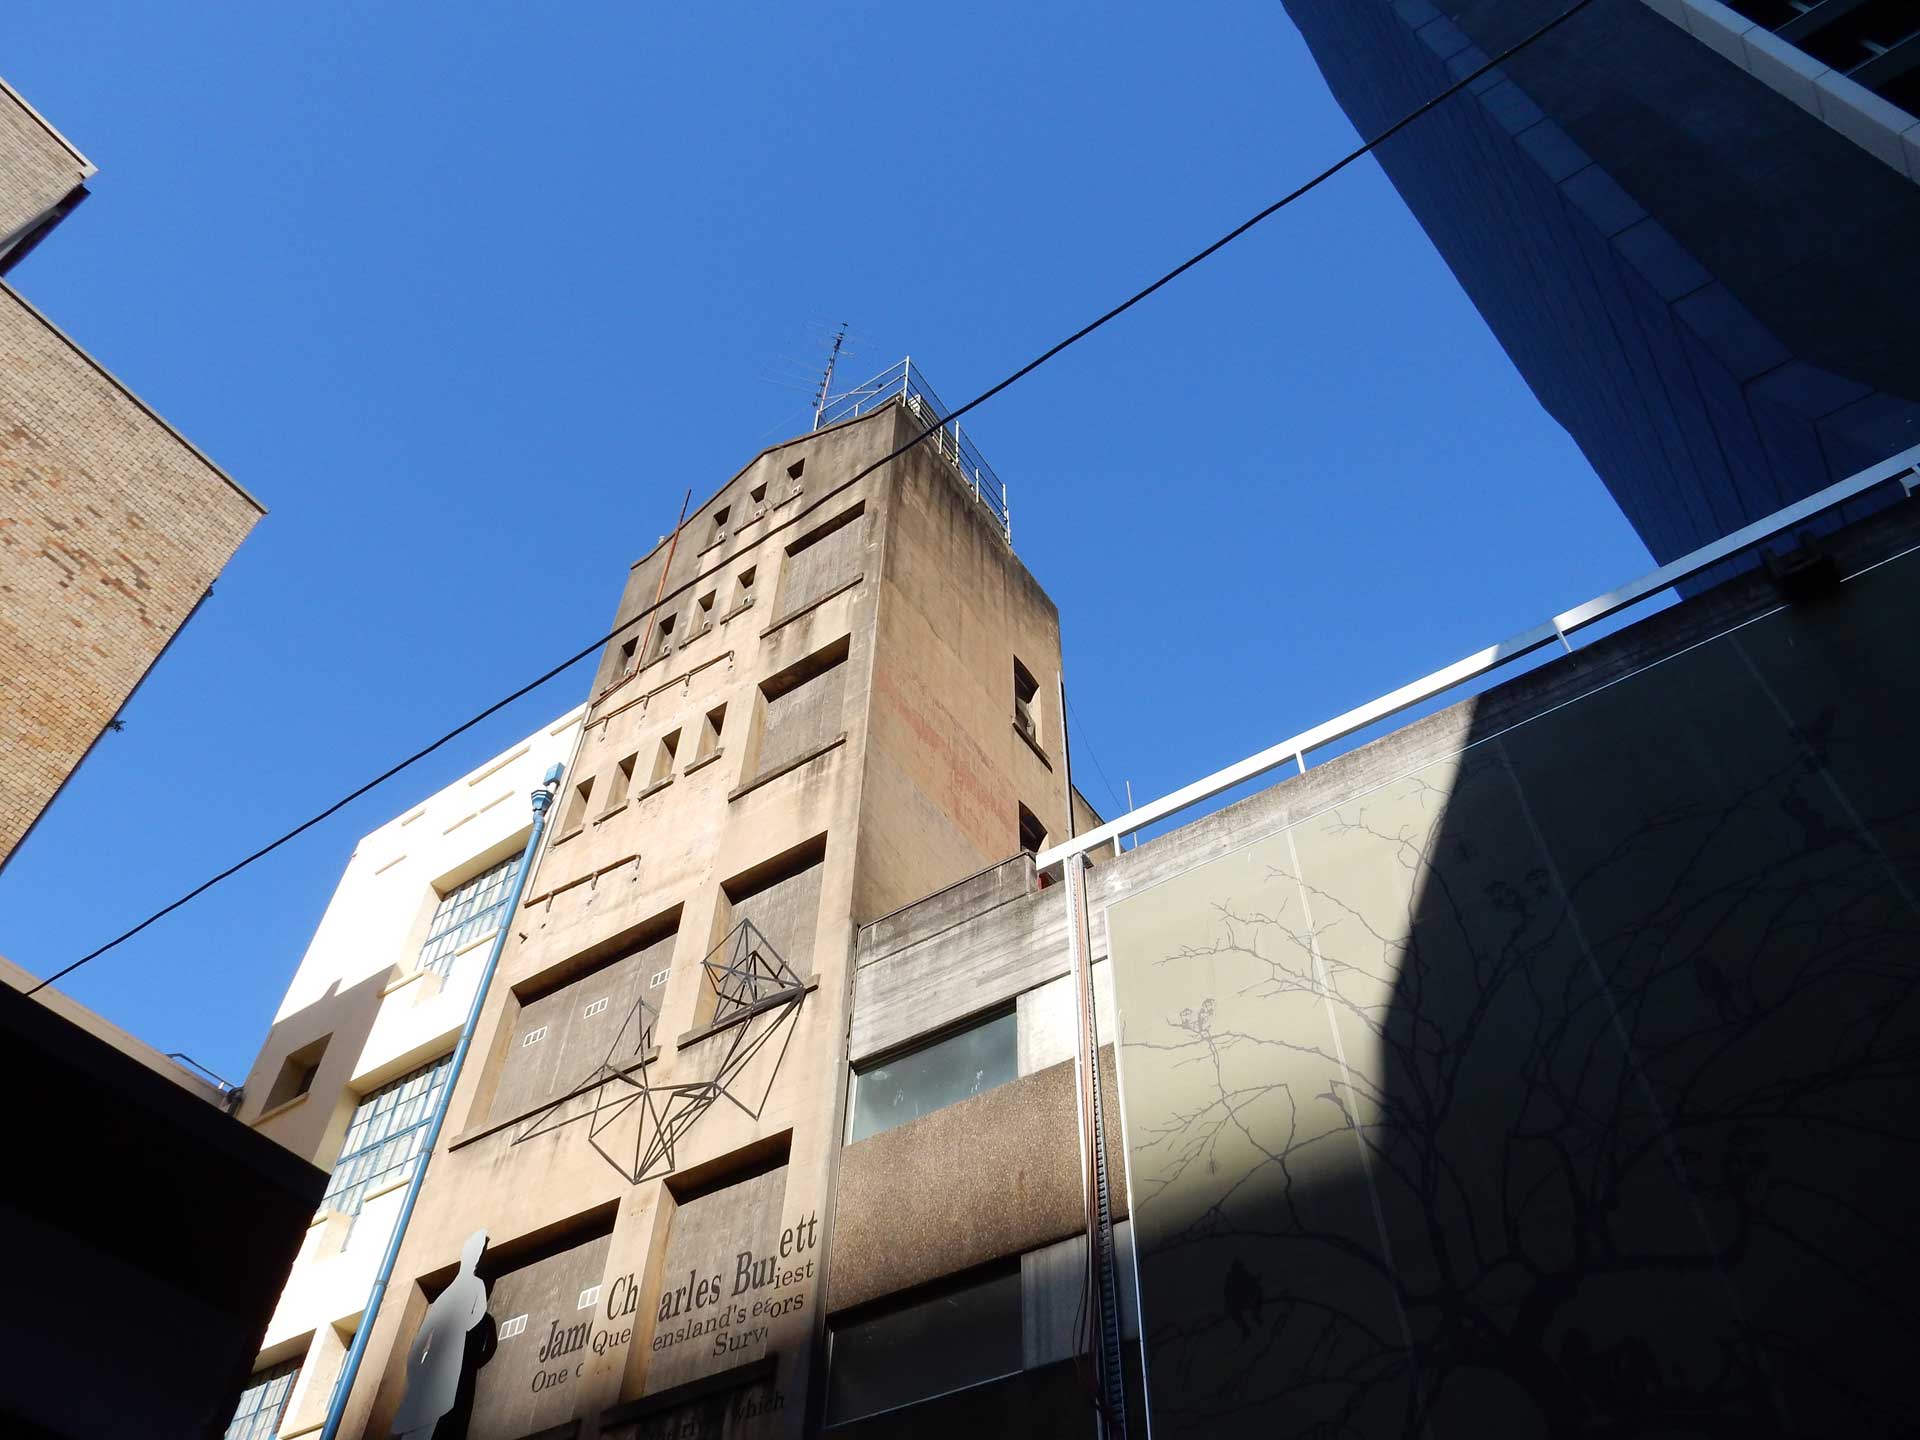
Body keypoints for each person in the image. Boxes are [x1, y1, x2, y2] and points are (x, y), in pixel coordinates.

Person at [392, 1230, 492, 1440]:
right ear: (466, 1254)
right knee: (424, 1418)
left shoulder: (472, 1287)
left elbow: (478, 1318)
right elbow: (424, 1336)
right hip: (440, 1363)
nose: (475, 1257)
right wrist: (415, 1366)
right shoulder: (452, 1293)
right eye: (474, 1251)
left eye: (478, 1252)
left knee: (435, 1417)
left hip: (449, 1362)